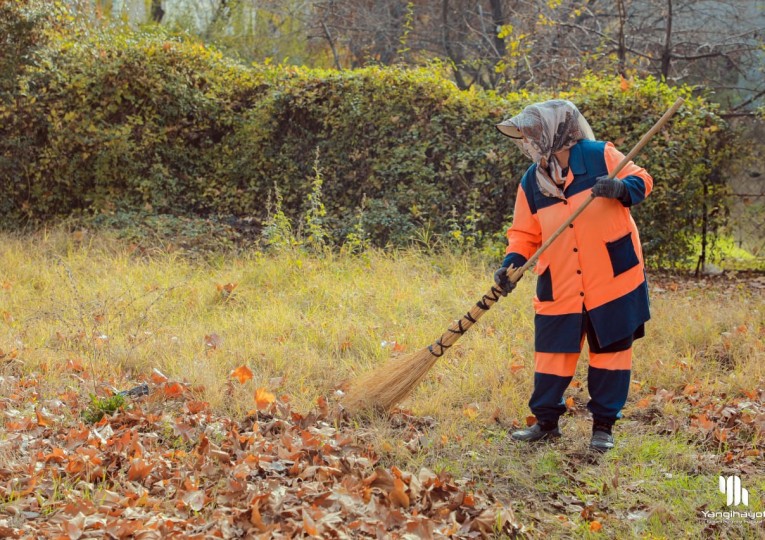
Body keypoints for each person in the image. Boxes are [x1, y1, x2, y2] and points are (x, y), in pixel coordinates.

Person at [493, 99, 653, 452]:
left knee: (611, 355)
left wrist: (620, 189)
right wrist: (511, 264)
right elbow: (524, 234)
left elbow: (642, 180)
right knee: (551, 356)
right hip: (561, 282)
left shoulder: (600, 156)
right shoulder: (532, 181)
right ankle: (546, 424)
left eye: (531, 134)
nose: (526, 143)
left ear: (554, 131)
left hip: (612, 278)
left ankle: (603, 428)